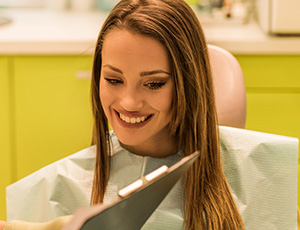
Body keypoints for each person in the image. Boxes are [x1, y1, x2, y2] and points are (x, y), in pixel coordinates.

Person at [2, 0, 247, 229]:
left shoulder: (261, 175)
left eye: (154, 84)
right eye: (113, 79)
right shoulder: (54, 189)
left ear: (189, 84)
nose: (129, 103)